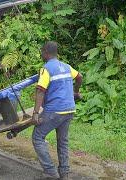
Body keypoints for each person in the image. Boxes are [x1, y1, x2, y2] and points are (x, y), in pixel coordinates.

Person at [31, 41, 82, 179]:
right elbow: (79, 77)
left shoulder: (46, 69)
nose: (41, 54)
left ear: (46, 52)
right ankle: (64, 173)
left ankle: (50, 171)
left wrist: (35, 114)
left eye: (42, 52)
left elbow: (40, 91)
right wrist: (76, 93)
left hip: (55, 111)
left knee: (37, 137)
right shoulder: (66, 66)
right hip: (69, 110)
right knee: (63, 141)